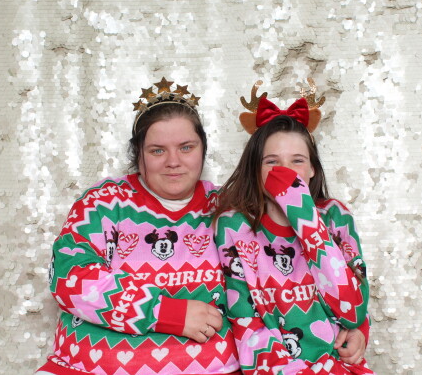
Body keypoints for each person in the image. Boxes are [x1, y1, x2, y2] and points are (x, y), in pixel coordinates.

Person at [36, 78, 240, 375]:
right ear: (138, 153)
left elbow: (270, 280)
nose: (173, 161)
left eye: (186, 147)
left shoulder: (226, 207)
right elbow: (70, 277)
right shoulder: (104, 202)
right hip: (91, 367)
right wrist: (164, 312)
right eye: (157, 150)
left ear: (203, 149)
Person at [214, 81, 374, 375]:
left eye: (297, 161)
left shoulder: (335, 216)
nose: (284, 171)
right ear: (255, 169)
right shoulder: (234, 227)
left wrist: (305, 217)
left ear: (312, 169)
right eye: (271, 161)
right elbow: (245, 323)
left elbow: (352, 311)